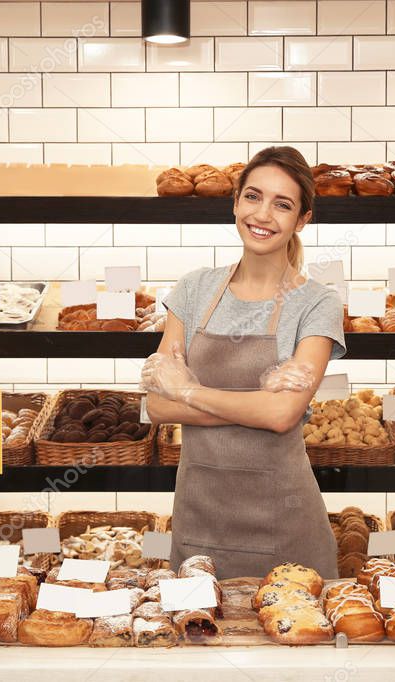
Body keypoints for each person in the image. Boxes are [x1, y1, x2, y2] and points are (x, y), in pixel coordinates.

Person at [141, 146, 346, 580]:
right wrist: (254, 406)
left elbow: (282, 414)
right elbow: (156, 407)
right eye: (253, 197)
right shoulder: (194, 290)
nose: (263, 214)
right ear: (235, 202)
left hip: (286, 525)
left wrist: (187, 391)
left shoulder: (317, 304)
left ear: (302, 220)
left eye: (283, 204)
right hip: (200, 521)